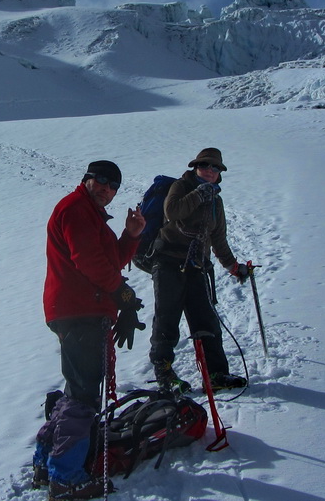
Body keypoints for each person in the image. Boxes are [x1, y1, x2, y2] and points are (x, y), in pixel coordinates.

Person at [34, 160, 146, 500]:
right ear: (86, 179)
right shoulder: (75, 209)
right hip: (79, 310)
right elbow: (90, 261)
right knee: (83, 396)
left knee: (75, 392)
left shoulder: (90, 214)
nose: (107, 190)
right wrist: (121, 293)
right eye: (101, 181)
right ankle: (65, 479)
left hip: (80, 310)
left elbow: (109, 258)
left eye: (113, 186)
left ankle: (46, 465)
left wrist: (131, 235)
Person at [147, 148, 249, 392]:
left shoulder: (216, 201)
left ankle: (215, 375)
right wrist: (199, 193)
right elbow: (172, 213)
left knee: (206, 321)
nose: (210, 171)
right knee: (167, 320)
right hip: (168, 262)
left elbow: (218, 239)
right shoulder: (181, 187)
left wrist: (233, 267)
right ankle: (165, 377)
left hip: (197, 266)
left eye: (215, 168)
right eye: (205, 165)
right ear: (196, 166)